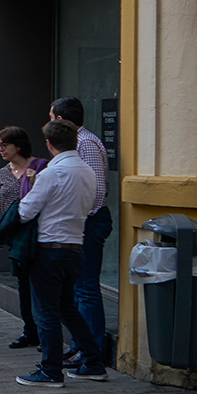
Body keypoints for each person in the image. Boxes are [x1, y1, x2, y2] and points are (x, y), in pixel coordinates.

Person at [14, 120, 109, 387]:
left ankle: (50, 370)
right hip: (75, 247)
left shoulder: (51, 173)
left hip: (49, 249)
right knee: (69, 309)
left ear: (49, 144)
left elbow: (25, 211)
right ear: (76, 142)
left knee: (47, 313)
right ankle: (93, 362)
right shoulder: (88, 172)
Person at [51, 97, 112, 369]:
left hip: (89, 221)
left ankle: (93, 350)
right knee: (77, 288)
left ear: (61, 120)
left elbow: (97, 191)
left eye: (52, 117)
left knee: (86, 288)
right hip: (82, 222)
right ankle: (80, 346)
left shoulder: (85, 143)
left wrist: (79, 218)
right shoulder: (78, 143)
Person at [0, 126, 47, 349]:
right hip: (16, 237)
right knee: (22, 285)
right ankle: (30, 330)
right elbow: (0, 210)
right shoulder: (1, 173)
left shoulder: (41, 167)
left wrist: (36, 181)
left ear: (18, 146)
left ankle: (45, 332)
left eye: (4, 145)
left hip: (39, 235)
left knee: (39, 284)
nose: (0, 150)